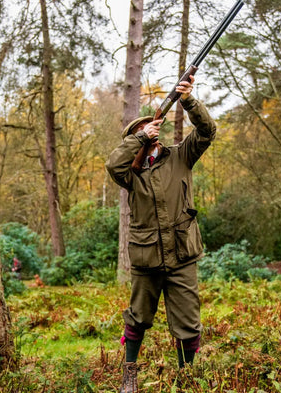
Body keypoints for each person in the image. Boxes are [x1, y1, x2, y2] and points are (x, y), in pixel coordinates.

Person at [106, 76, 216, 393]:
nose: (154, 134)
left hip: (182, 255)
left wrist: (188, 101)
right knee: (137, 317)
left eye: (153, 129)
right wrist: (139, 139)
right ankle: (130, 375)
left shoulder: (181, 156)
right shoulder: (130, 172)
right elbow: (113, 165)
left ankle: (186, 378)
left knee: (188, 324)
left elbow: (208, 131)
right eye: (146, 131)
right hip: (146, 256)